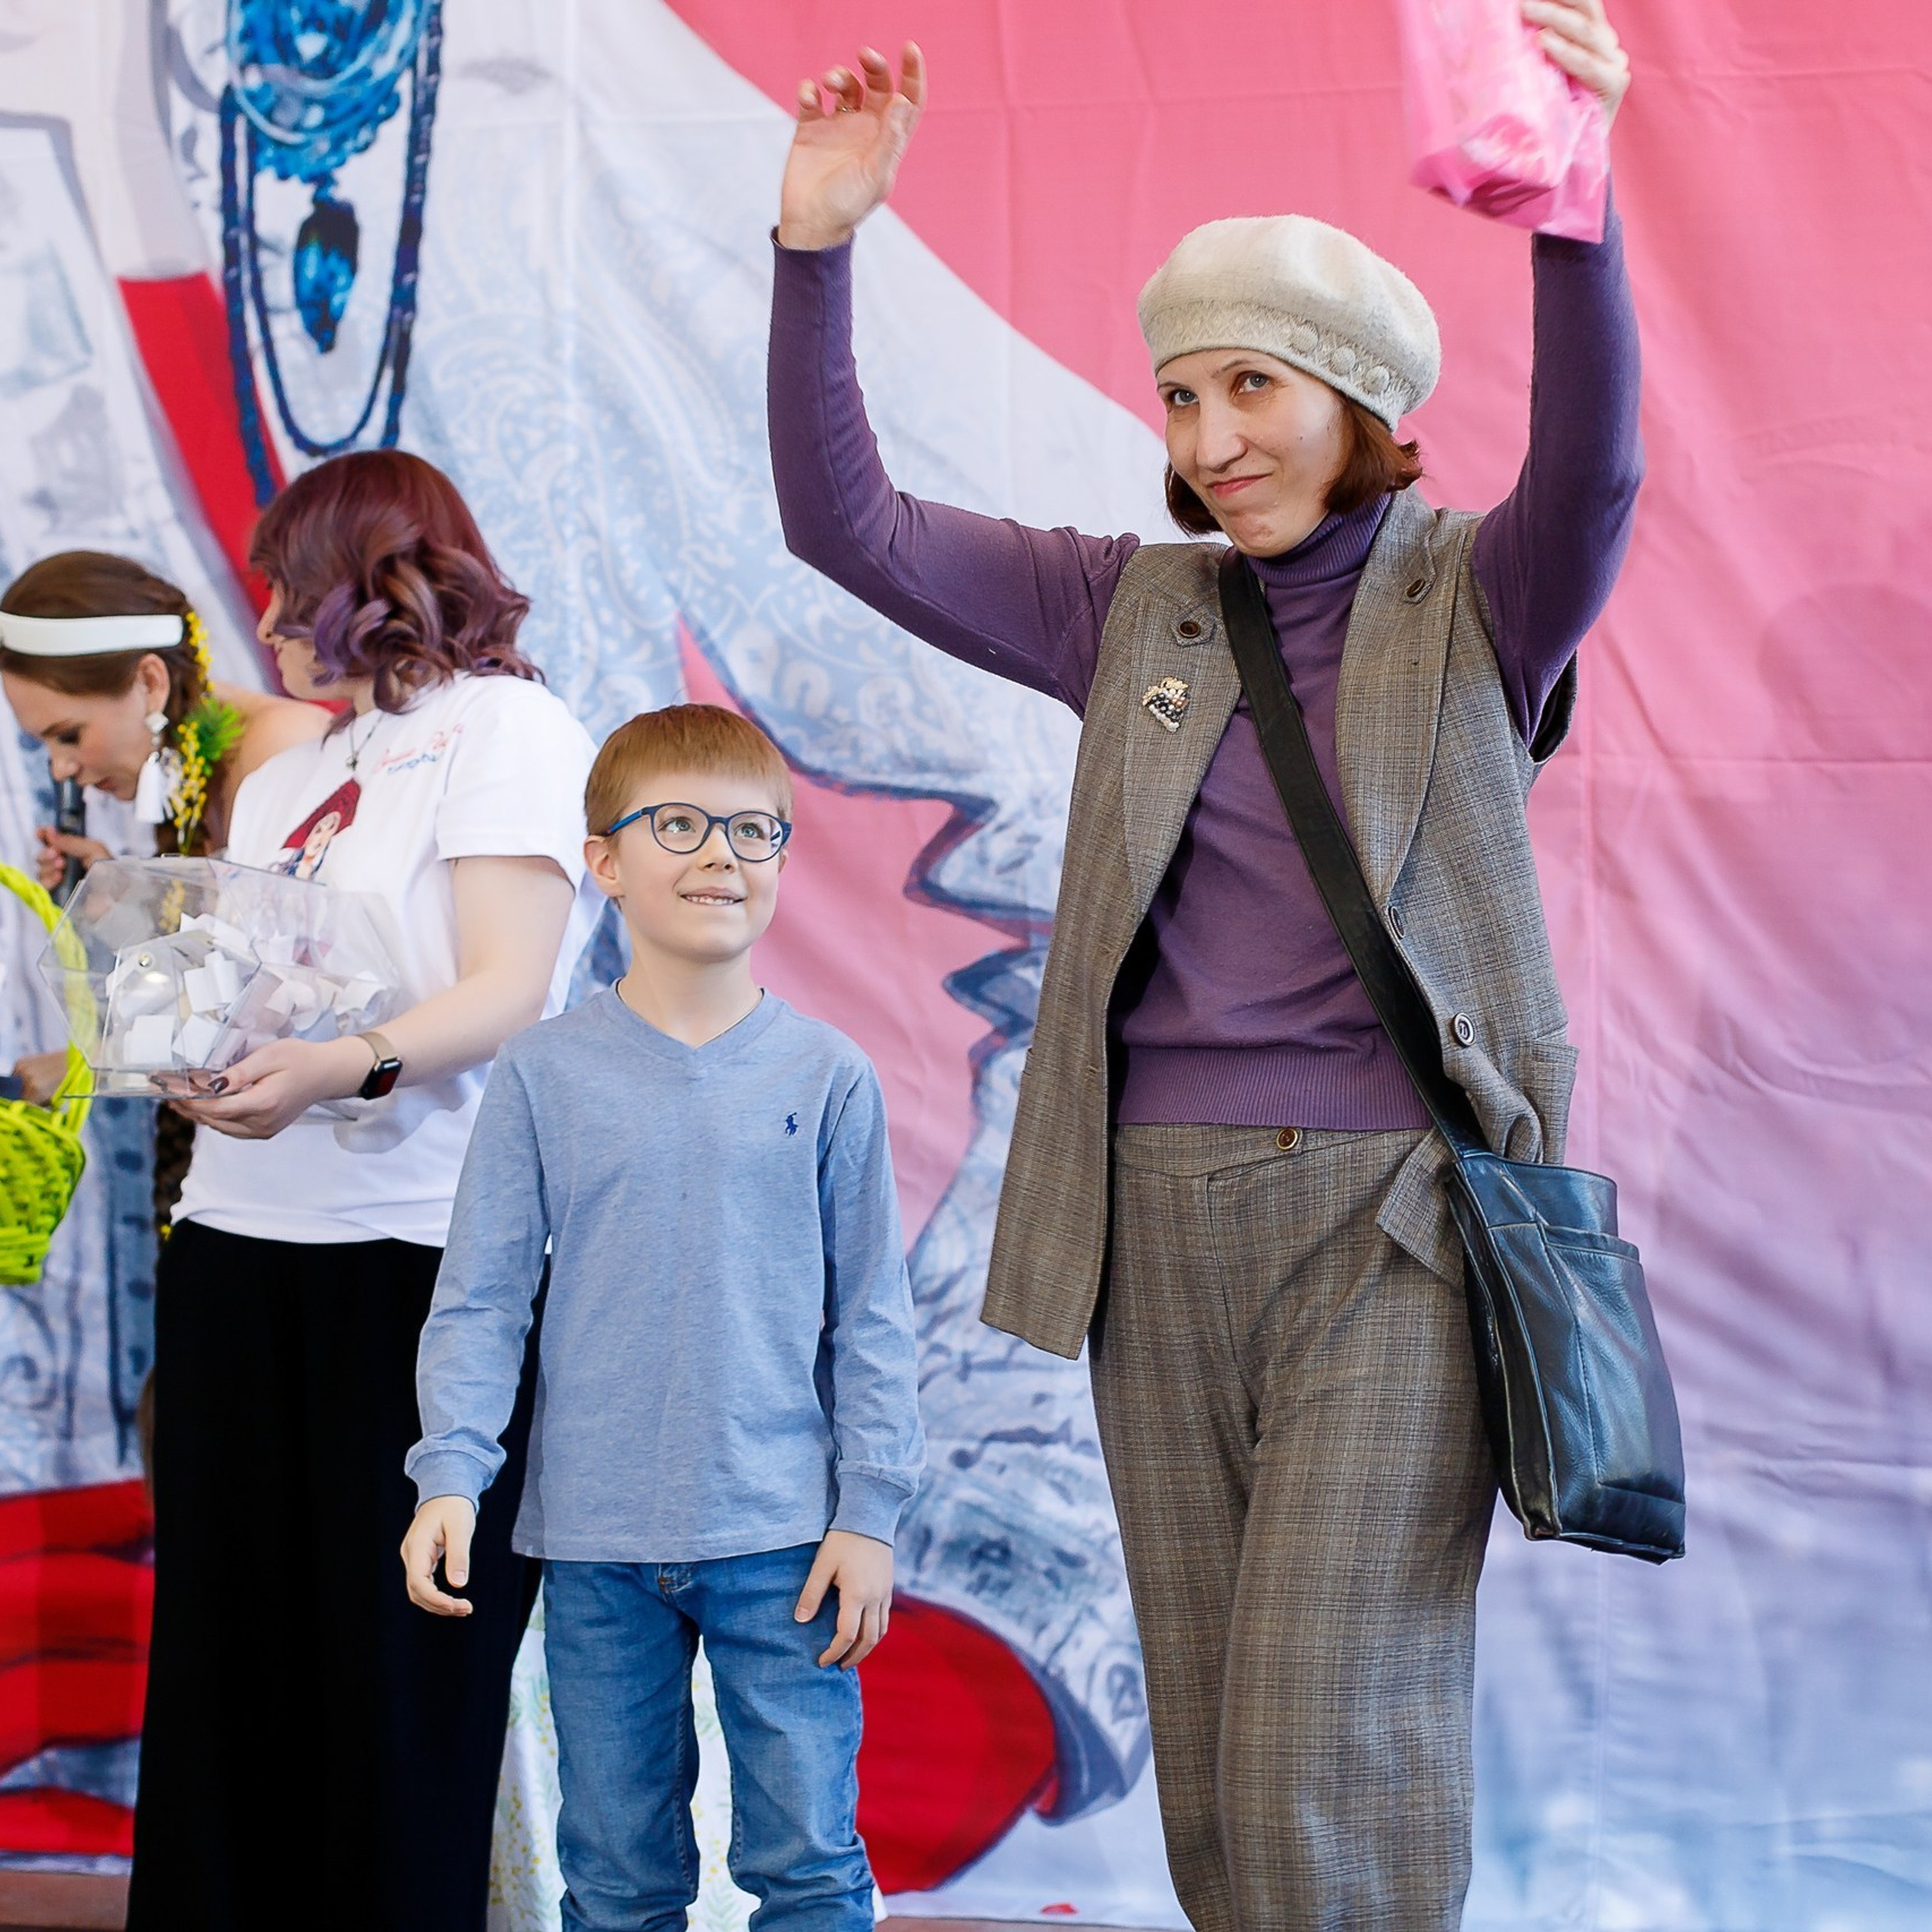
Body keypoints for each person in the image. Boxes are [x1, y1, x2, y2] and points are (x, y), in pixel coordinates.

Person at [766, 8, 1638, 1928]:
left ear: (1354, 401)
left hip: (1389, 1231)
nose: (1207, 436)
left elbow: (1592, 483)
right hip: (1143, 1233)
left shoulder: (1467, 601)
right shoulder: (1131, 603)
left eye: (1248, 385)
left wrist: (1572, 216)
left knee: (1318, 1733)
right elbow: (849, 526)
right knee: (1218, 1785)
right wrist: (815, 248)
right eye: (1176, 396)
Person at [128, 450, 603, 1932]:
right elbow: (256, 974)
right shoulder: (286, 769)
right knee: (223, 1658)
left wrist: (346, 1063)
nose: (259, 609)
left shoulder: (506, 729)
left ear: (373, 575)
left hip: (422, 1255)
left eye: (284, 576)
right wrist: (186, 1045)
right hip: (232, 1242)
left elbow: (512, 993)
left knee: (397, 1675)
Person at [402, 702, 924, 1931]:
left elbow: (875, 1322)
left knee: (806, 1863)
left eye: (754, 831)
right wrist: (449, 1477)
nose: (721, 856)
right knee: (620, 1874)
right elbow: (480, 1299)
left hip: (786, 1545)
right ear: (604, 860)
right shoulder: (542, 1072)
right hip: (592, 1545)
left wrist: (873, 1514)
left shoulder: (828, 1075)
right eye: (680, 825)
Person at [0, 552, 328, 1110]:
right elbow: (214, 975)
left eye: (69, 736)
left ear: (151, 682)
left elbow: (294, 1003)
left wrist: (80, 1063)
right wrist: (117, 908)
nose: (61, 769)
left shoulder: (281, 751)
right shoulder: (190, 776)